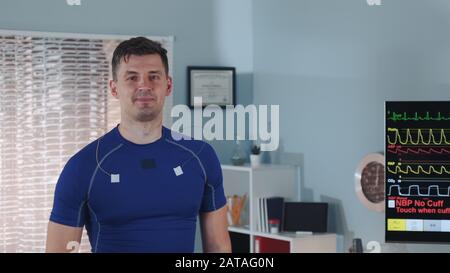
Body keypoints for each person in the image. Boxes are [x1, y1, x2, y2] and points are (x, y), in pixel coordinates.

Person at [45, 37, 231, 253]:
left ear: (168, 85)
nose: (144, 85)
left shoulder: (201, 157)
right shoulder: (83, 166)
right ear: (114, 88)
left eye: (154, 77)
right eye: (132, 78)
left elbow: (219, 246)